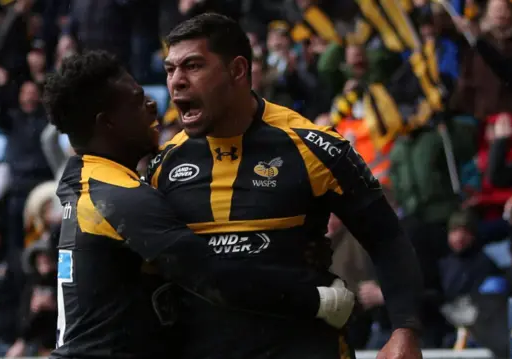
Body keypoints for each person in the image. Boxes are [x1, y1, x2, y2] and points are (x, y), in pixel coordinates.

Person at [42, 50, 357, 359]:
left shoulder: (85, 182)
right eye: (138, 101)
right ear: (107, 122)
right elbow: (211, 274)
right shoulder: (121, 198)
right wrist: (316, 299)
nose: (152, 105)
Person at [149, 13, 424, 359]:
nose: (177, 81)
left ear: (237, 70)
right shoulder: (165, 164)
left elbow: (388, 239)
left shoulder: (314, 146)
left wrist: (405, 329)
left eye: (192, 66)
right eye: (170, 69)